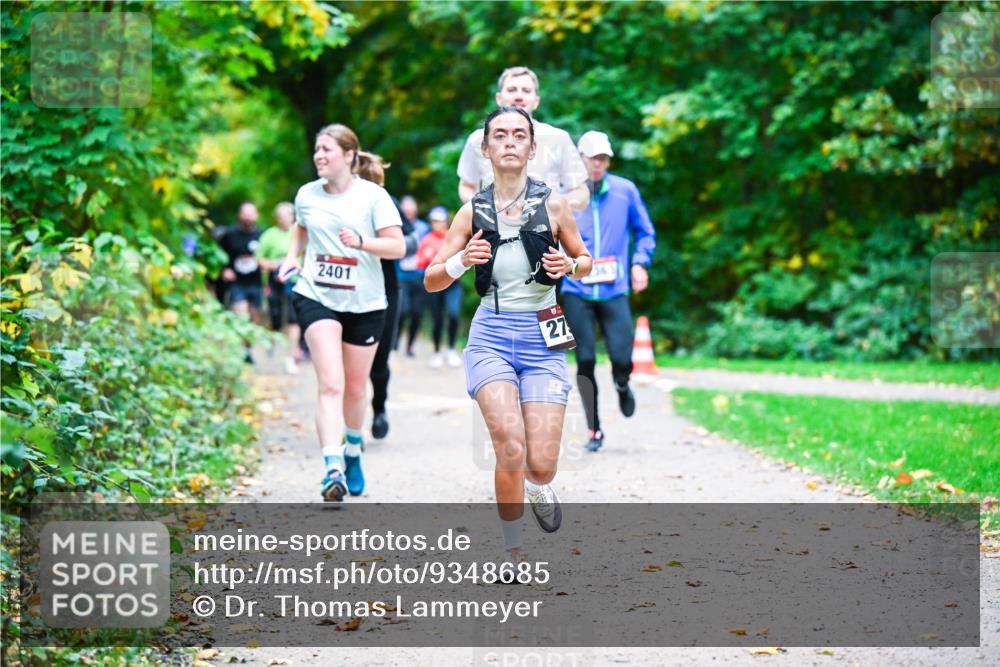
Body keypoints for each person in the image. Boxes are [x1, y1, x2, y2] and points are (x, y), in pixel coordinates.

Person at [425, 107, 592, 564]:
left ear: (533, 148)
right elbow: (432, 278)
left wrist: (570, 266)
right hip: (492, 336)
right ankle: (513, 553)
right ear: (486, 148)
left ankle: (539, 487)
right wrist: (462, 261)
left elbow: (585, 260)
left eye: (520, 135)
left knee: (540, 464)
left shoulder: (553, 204)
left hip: (544, 336)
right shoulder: (471, 211)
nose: (511, 142)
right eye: (500, 135)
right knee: (510, 446)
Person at [279, 124, 406, 501]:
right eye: (317, 149)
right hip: (316, 294)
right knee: (330, 383)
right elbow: (301, 229)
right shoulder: (306, 194)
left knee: (354, 387)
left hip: (365, 303)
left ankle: (353, 450)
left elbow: (397, 247)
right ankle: (332, 466)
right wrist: (290, 259)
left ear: (349, 155)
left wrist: (362, 243)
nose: (319, 156)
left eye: (327, 150)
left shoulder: (373, 197)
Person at [561, 131, 656, 452]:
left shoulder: (625, 191)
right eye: (591, 158)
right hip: (576, 288)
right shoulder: (565, 195)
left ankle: (622, 382)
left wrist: (640, 263)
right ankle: (594, 429)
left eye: (602, 158)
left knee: (621, 356)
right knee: (585, 359)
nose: (597, 164)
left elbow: (645, 232)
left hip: (615, 289)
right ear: (580, 160)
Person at [456, 66, 589, 212]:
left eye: (526, 91)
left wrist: (551, 208)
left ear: (536, 101)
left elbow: (581, 193)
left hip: (547, 230)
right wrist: (485, 210)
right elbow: (466, 186)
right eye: (512, 90)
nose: (519, 96)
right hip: (494, 231)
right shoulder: (478, 139)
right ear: (499, 98)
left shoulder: (558, 138)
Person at [355, 159, 421, 440]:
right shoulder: (336, 203)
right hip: (348, 287)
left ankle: (379, 408)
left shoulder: (386, 201)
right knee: (352, 361)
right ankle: (350, 423)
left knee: (379, 360)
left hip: (385, 287)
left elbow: (411, 240)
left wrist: (391, 246)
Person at [415, 206, 463, 368]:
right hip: (436, 284)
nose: (437, 224)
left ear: (445, 222)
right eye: (434, 221)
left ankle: (450, 349)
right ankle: (436, 351)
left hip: (454, 284)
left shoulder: (453, 237)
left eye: (440, 221)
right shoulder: (426, 240)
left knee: (454, 314)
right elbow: (420, 263)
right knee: (437, 318)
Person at [258, 202, 303, 375]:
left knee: (293, 319)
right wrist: (274, 263)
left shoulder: (299, 232)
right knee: (275, 317)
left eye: (287, 216)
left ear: (293, 216)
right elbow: (259, 259)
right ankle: (273, 346)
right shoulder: (269, 235)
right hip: (275, 280)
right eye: (281, 216)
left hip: (295, 282)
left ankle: (292, 355)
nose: (284, 219)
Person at [396, 195, 430, 358]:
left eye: (411, 207)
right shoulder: (395, 226)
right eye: (405, 207)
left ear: (415, 209)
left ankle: (409, 346)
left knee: (417, 313)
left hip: (420, 276)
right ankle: (395, 342)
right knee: (402, 311)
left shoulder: (423, 228)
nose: (408, 210)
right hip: (401, 276)